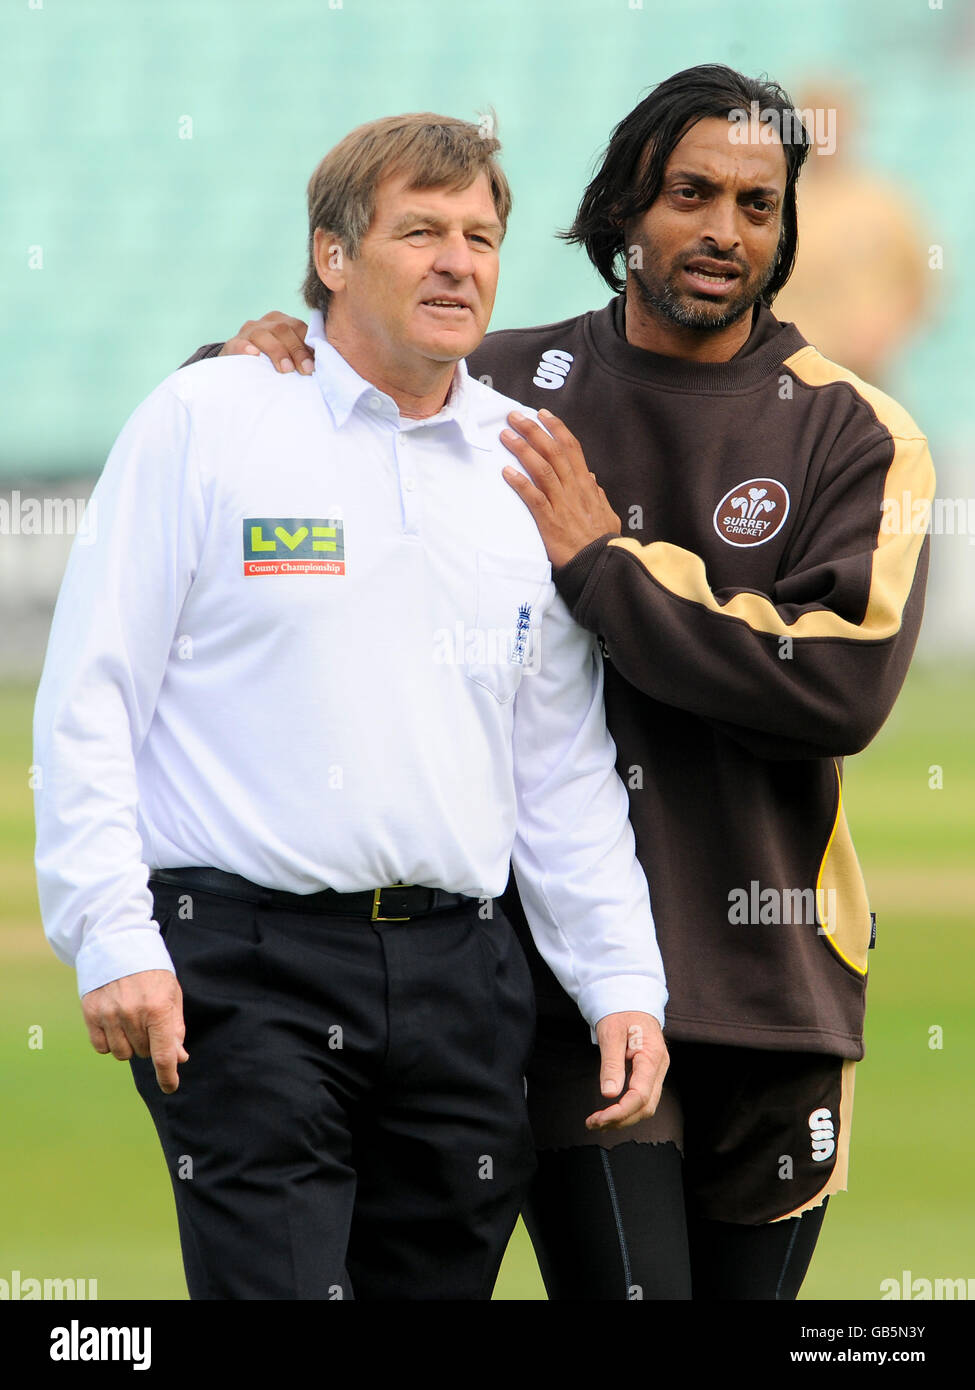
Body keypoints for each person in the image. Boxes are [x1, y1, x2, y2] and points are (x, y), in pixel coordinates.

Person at [204, 66, 935, 1301]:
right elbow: (324, 406)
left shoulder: (856, 432)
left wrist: (606, 566)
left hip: (775, 982)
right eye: (690, 193)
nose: (724, 230)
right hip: (558, 984)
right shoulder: (498, 386)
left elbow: (841, 687)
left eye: (759, 205)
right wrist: (256, 351)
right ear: (621, 212)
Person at [32, 113, 671, 1302]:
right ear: (333, 257)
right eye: (420, 230)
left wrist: (622, 979)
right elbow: (91, 697)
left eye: (481, 236)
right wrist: (110, 934)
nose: (459, 261)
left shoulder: (521, 462)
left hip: (465, 980)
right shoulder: (210, 419)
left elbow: (561, 766)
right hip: (246, 969)